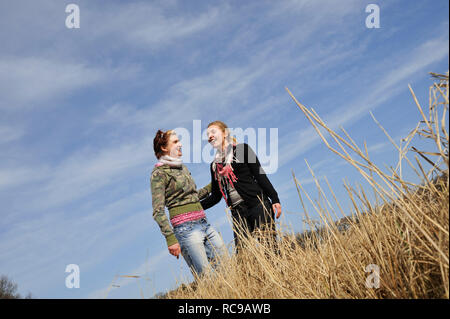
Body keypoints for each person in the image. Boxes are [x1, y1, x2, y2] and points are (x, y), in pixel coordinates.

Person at [150, 129, 227, 277]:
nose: (180, 144)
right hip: (186, 229)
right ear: (164, 148)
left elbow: (192, 197)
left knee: (226, 266)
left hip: (204, 222)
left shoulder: (182, 168)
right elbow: (158, 211)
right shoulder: (158, 174)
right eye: (175, 142)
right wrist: (170, 238)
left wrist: (215, 183)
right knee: (207, 277)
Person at [200, 121, 282, 252]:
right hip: (238, 212)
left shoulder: (243, 149)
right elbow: (216, 196)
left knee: (269, 250)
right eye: (207, 134)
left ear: (225, 133)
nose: (209, 136)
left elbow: (260, 175)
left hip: (258, 205)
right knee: (243, 256)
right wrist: (195, 206)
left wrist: (275, 198)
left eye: (213, 132)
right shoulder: (215, 166)